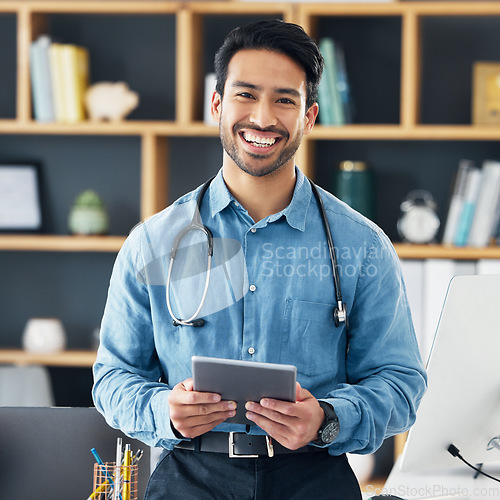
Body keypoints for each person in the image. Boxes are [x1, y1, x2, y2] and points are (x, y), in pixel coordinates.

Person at [93, 19, 427, 500]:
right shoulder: (154, 242)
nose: (263, 118)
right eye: (245, 95)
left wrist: (328, 419)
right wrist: (161, 409)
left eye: (285, 100)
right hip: (187, 477)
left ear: (309, 116)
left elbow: (401, 383)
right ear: (217, 105)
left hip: (314, 477)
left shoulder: (362, 246)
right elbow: (112, 377)